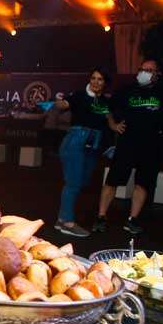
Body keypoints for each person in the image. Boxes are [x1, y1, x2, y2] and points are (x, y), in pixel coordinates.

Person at [94, 59, 163, 235]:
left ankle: (132, 220)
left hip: (152, 145)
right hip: (127, 143)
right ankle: (101, 217)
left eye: (149, 70)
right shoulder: (127, 90)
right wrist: (113, 125)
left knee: (143, 183)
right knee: (112, 180)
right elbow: (107, 107)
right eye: (142, 69)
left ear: (156, 74)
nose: (144, 72)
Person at [52, 69, 112, 237]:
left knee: (81, 181)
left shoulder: (104, 102)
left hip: (93, 144)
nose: (95, 82)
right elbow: (63, 105)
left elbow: (107, 122)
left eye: (100, 79)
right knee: (73, 182)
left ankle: (61, 219)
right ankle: (68, 222)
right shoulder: (79, 95)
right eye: (93, 78)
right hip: (76, 140)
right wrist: (59, 101)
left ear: (104, 83)